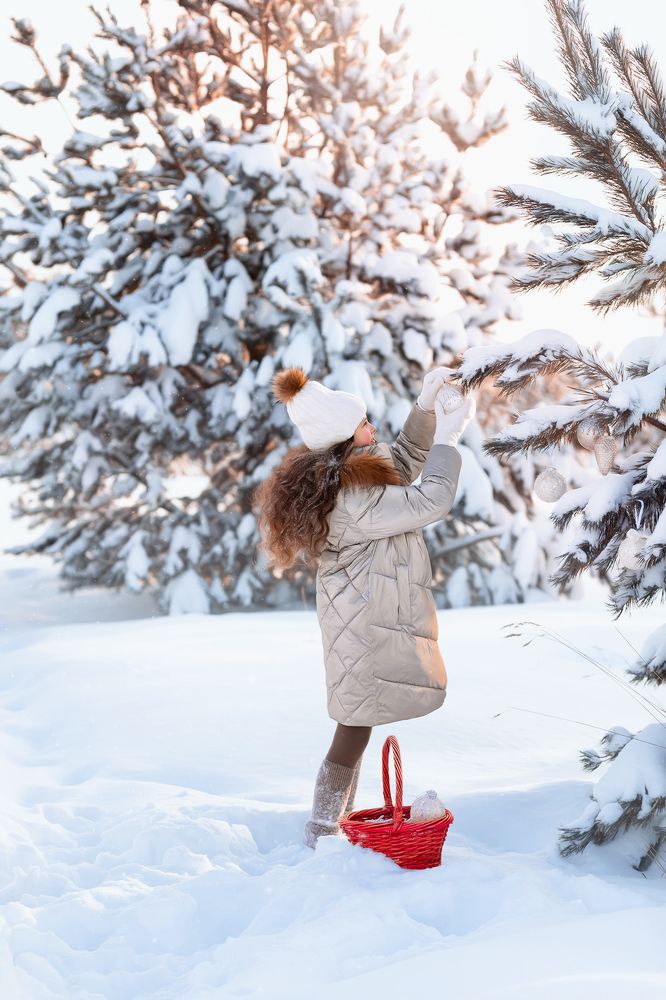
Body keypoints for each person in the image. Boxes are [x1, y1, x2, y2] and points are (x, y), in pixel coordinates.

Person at [253, 366, 475, 849]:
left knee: (357, 722)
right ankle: (322, 828)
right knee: (353, 725)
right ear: (345, 439)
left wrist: (427, 407)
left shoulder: (352, 472)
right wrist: (451, 439)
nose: (373, 428)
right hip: (362, 623)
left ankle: (334, 825)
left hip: (362, 616)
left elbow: (405, 457)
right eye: (365, 423)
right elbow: (429, 500)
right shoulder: (353, 497)